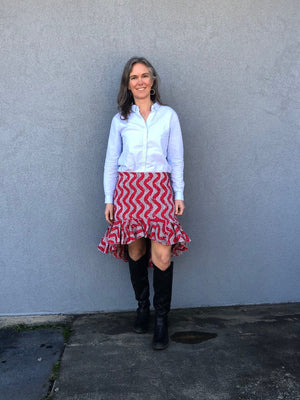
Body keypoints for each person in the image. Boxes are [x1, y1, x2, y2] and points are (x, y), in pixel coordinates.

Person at [98, 57, 190, 350]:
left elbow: (176, 158)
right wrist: (109, 198)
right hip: (128, 189)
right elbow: (111, 161)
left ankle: (161, 319)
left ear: (153, 81)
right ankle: (142, 307)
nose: (140, 81)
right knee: (136, 249)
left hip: (159, 189)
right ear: (128, 83)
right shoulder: (120, 120)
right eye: (134, 77)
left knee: (162, 255)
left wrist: (179, 193)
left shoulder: (168, 116)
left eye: (145, 75)